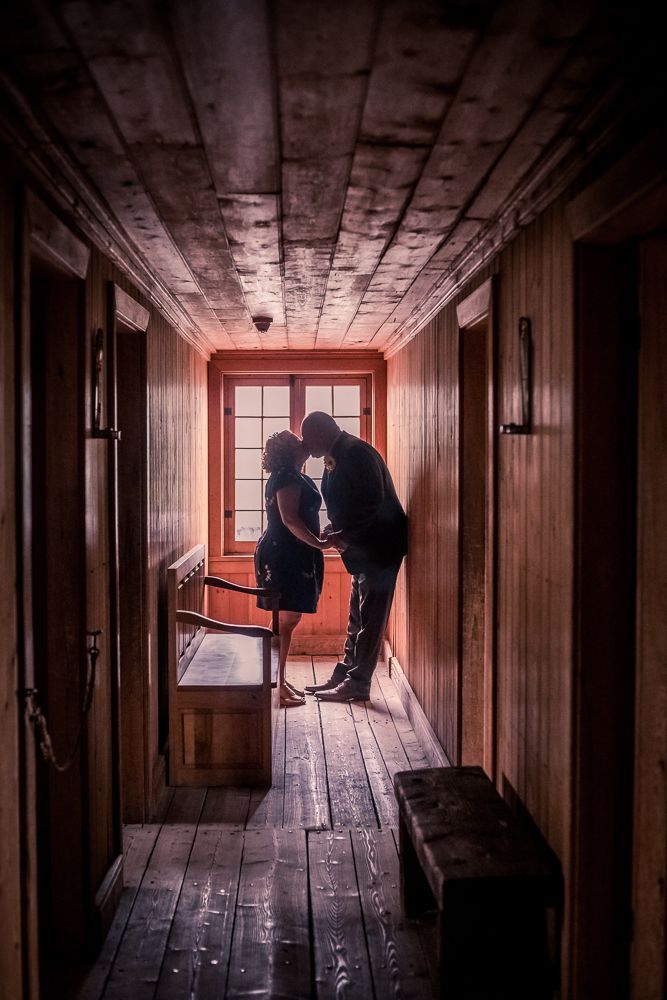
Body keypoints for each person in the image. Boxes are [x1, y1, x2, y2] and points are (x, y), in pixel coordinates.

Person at [300, 411, 408, 702]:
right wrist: (336, 528)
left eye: (307, 439)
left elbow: (373, 504)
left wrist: (344, 536)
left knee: (371, 618)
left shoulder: (356, 453)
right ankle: (346, 672)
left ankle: (358, 683)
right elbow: (352, 503)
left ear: (322, 433)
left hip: (380, 546)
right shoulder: (338, 454)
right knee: (357, 616)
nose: (306, 446)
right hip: (363, 547)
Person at [254, 429, 331, 707]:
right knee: (283, 622)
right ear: (289, 450)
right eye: (296, 440)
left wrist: (320, 537)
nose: (303, 441)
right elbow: (290, 520)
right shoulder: (286, 476)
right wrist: (320, 544)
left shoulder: (292, 475)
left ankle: (278, 679)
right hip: (284, 554)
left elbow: (301, 519)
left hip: (291, 553)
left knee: (285, 621)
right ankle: (276, 684)